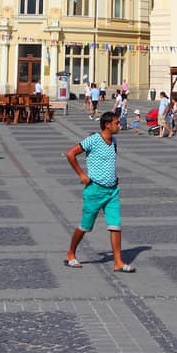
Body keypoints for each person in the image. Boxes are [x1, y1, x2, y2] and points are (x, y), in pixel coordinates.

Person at [63, 111, 134, 272]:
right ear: (107, 125)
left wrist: (114, 178)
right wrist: (81, 174)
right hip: (95, 190)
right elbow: (71, 154)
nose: (119, 125)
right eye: (116, 122)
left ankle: (118, 262)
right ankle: (71, 253)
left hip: (112, 191)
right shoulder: (93, 140)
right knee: (85, 226)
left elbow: (109, 163)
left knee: (115, 225)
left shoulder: (114, 141)